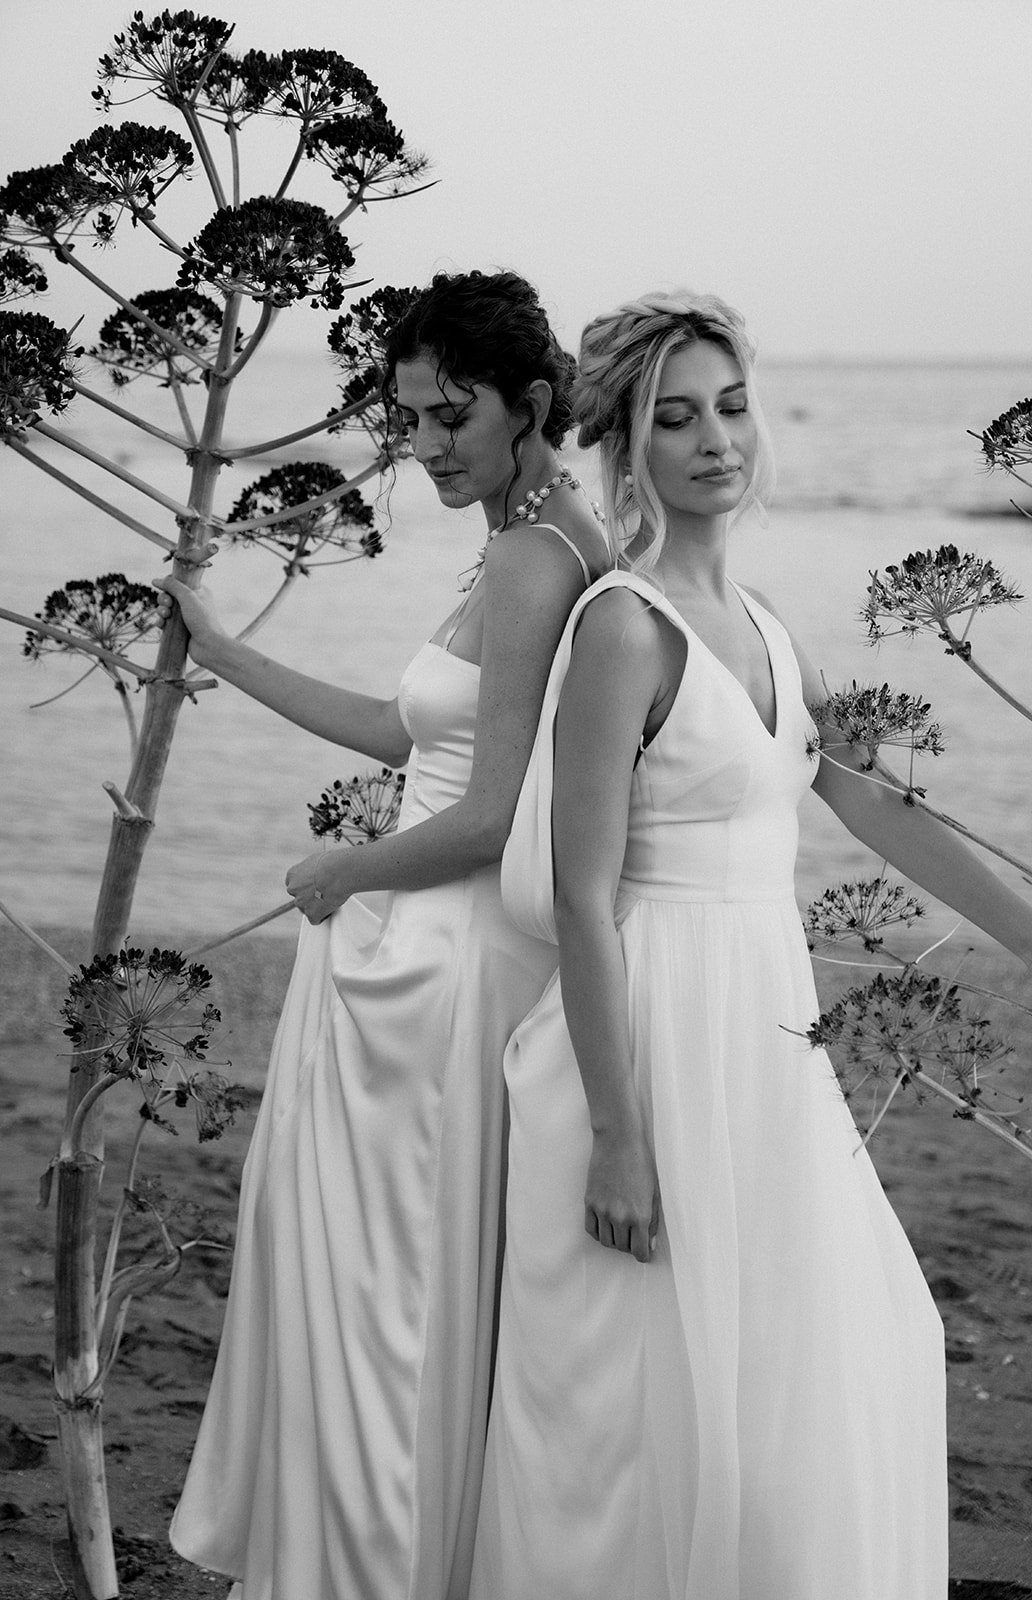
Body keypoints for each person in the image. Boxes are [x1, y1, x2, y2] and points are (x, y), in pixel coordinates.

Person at [469, 291, 1032, 1600]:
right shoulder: (622, 627)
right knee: (639, 1414)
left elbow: (876, 806)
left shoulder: (773, 630)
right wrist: (622, 1139)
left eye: (732, 407)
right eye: (674, 418)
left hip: (766, 1042)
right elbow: (580, 896)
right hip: (647, 1049)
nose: (715, 440)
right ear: (625, 447)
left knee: (853, 1350)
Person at [156, 270, 612, 1600]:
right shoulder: (538, 540)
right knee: (379, 1294)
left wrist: (339, 871)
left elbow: (484, 817)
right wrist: (224, 650)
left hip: (434, 968)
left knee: (385, 1307)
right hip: (427, 954)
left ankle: (362, 1573)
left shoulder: (538, 561)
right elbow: (417, 736)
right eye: (409, 418)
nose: (425, 447)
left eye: (449, 417)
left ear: (530, 402)